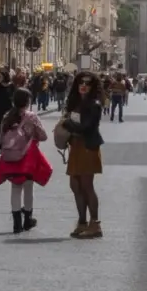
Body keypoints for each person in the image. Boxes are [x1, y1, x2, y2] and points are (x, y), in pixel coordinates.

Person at [0, 89, 50, 233]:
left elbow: (0, 139)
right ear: (27, 102)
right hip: (27, 157)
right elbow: (43, 136)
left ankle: (16, 223)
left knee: (15, 188)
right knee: (28, 188)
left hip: (10, 157)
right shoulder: (31, 117)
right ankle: (27, 219)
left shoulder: (7, 116)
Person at [62, 72, 105, 237]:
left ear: (93, 86)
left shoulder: (94, 104)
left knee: (87, 186)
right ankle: (82, 222)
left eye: (88, 83)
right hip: (76, 146)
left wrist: (67, 124)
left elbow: (86, 127)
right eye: (81, 82)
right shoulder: (75, 102)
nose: (84, 85)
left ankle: (95, 224)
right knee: (75, 185)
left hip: (88, 146)